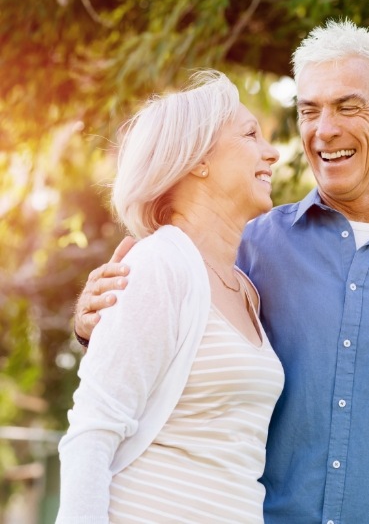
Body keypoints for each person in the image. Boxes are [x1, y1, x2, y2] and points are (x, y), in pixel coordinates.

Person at [74, 20, 369, 523]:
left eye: (348, 107)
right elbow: (154, 328)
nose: (325, 130)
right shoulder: (246, 246)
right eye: (309, 110)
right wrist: (94, 321)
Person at [56, 70, 284, 523]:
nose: (272, 151)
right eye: (250, 134)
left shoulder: (245, 290)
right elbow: (92, 431)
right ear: (198, 159)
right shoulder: (159, 265)